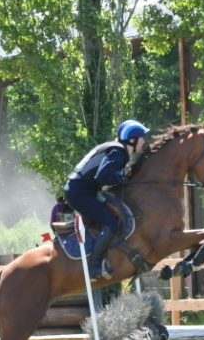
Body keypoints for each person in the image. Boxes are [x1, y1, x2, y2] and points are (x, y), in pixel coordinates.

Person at [64, 119, 149, 277]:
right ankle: (94, 267)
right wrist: (121, 177)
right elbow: (102, 176)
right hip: (80, 192)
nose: (144, 140)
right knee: (110, 221)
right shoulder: (119, 152)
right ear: (132, 139)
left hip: (80, 189)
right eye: (142, 137)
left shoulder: (115, 148)